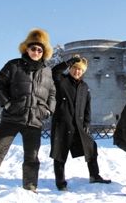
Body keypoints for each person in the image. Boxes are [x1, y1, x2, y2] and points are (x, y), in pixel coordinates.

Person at [0, 28, 56, 193]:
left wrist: (48, 110)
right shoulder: (14, 65)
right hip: (11, 117)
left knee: (32, 158)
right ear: (26, 49)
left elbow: (52, 93)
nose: (36, 52)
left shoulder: (47, 71)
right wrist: (7, 104)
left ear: (44, 52)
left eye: (40, 49)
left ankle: (30, 187)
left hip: (34, 120)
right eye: (33, 48)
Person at [50, 54, 111, 191]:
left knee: (91, 148)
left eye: (80, 70)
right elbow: (54, 71)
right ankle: (60, 182)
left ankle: (94, 175)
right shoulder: (62, 80)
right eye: (75, 68)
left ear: (83, 72)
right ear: (71, 68)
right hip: (62, 124)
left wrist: (87, 123)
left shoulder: (84, 86)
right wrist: (68, 62)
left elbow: (87, 106)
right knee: (60, 153)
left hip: (79, 125)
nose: (77, 71)